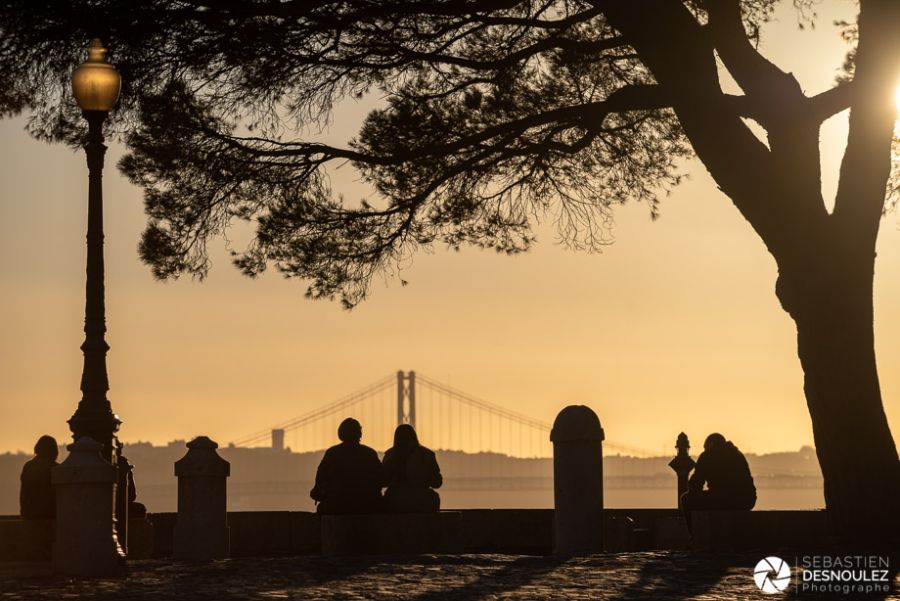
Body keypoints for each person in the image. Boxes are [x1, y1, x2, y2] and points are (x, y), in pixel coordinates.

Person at [681, 433, 756, 529]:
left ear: (709, 445)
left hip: (722, 499)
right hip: (746, 500)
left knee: (686, 499)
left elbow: (695, 485)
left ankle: (694, 536)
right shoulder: (738, 455)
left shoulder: (707, 455)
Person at [310, 418, 383, 514]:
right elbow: (381, 479)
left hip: (336, 506)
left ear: (340, 433)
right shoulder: (369, 454)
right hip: (366, 506)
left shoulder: (332, 453)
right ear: (359, 434)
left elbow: (319, 484)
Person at [382, 424, 442, 513]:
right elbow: (436, 483)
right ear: (414, 436)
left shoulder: (390, 455)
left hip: (395, 502)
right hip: (422, 501)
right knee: (433, 497)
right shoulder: (427, 454)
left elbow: (383, 482)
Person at [20, 435, 59, 519]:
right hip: (50, 514)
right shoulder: (55, 468)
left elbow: (25, 492)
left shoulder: (29, 466)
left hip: (30, 513)